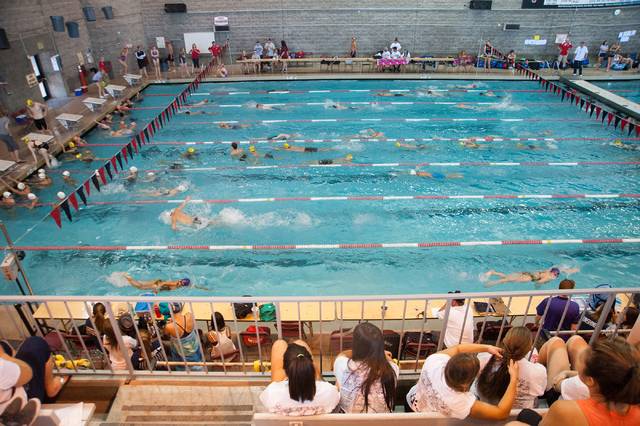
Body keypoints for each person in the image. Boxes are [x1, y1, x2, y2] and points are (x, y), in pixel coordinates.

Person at [517, 337, 640, 426]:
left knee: (522, 417)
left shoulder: (565, 410)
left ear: (590, 381)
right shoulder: (635, 408)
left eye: (582, 362)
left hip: (561, 401)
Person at [406, 343, 520, 420]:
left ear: (449, 363)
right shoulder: (461, 402)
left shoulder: (433, 361)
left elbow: (458, 348)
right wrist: (514, 378)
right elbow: (501, 413)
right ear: (468, 381)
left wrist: (487, 348)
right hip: (430, 421)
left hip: (412, 403)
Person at [473, 327, 547, 409]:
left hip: (487, 413)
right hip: (520, 417)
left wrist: (486, 348)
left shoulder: (483, 359)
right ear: (530, 349)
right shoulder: (539, 371)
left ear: (504, 341)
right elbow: (541, 391)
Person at [260, 339, 339, 415]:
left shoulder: (272, 393)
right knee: (300, 342)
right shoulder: (329, 391)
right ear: (311, 369)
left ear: (284, 372)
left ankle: (294, 373)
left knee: (279, 344)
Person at [334, 323, 399, 413]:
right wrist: (380, 353)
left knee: (338, 382)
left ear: (355, 346)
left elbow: (341, 355)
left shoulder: (343, 365)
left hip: (348, 421)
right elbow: (391, 362)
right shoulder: (392, 369)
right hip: (381, 422)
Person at [0, 336, 66, 408]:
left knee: (4, 346)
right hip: (21, 402)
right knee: (36, 343)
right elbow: (27, 373)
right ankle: (52, 388)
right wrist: (4, 356)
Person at [163, 302, 205, 371]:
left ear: (170, 312)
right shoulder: (189, 315)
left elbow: (167, 334)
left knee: (183, 364)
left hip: (182, 350)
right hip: (193, 345)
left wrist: (171, 323)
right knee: (197, 361)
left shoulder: (170, 326)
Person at [485, 267, 579, 287]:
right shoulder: (548, 277)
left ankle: (494, 272)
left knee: (508, 276)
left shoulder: (548, 270)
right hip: (529, 278)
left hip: (528, 273)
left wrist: (571, 270)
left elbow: (561, 270)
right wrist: (538, 286)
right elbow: (538, 282)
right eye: (556, 275)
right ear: (552, 273)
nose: (557, 276)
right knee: (509, 280)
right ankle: (493, 283)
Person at [122, 272, 192, 293]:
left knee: (143, 283)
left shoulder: (178, 283)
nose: (180, 284)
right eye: (181, 282)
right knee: (141, 287)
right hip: (157, 285)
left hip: (158, 281)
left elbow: (189, 285)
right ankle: (130, 280)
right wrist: (155, 290)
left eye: (182, 284)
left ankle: (133, 281)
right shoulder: (175, 283)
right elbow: (162, 284)